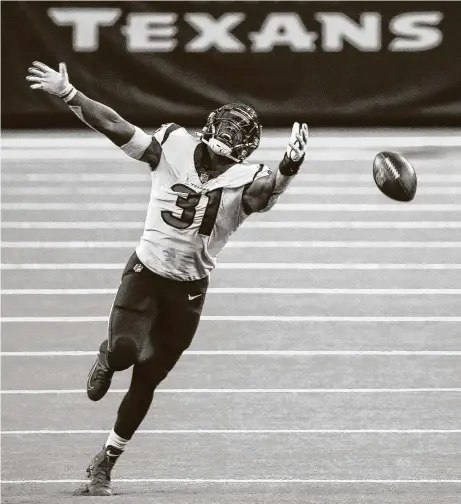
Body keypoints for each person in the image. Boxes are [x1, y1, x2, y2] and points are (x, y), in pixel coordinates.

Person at [26, 61, 309, 496]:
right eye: (226, 130)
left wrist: (289, 168)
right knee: (124, 352)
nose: (227, 141)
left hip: (189, 290)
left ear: (246, 148)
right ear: (210, 129)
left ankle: (105, 461)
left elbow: (265, 193)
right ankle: (107, 354)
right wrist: (69, 94)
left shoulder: (247, 179)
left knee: (148, 379)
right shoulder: (171, 145)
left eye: (237, 135)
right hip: (146, 273)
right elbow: (115, 124)